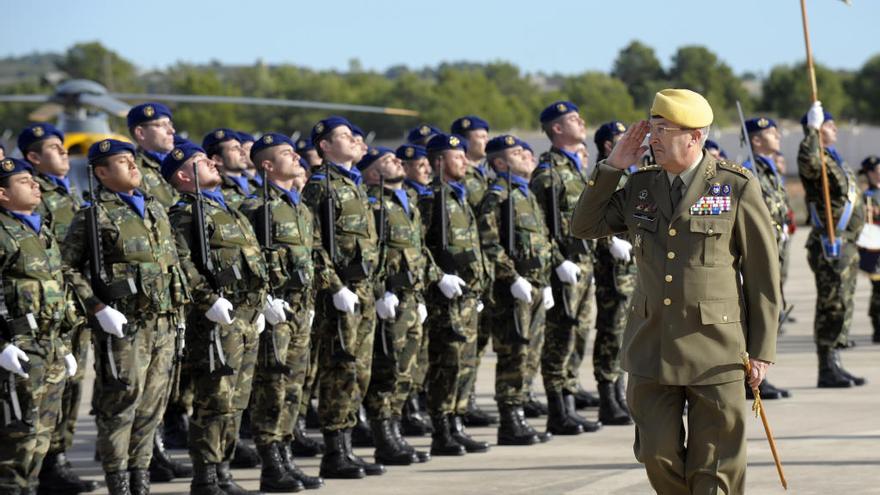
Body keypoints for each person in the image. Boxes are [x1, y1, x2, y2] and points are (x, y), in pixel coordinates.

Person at [571, 88, 782, 494]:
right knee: (656, 454)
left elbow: (762, 275)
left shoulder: (734, 186)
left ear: (695, 136)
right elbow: (584, 226)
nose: (652, 138)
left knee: (715, 465)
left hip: (715, 348)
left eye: (664, 130)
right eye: (652, 128)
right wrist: (614, 166)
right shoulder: (640, 185)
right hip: (652, 346)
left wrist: (762, 350)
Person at [63, 139, 191, 495]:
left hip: (163, 323)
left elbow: (175, 262)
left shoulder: (155, 209)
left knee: (152, 408)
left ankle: (141, 477)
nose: (133, 166)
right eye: (122, 162)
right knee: (120, 406)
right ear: (101, 173)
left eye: (132, 160)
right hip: (124, 327)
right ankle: (118, 480)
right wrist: (97, 308)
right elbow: (66, 267)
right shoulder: (92, 215)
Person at [16, 124, 99, 494]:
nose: (64, 153)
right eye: (54, 148)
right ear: (33, 158)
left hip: (70, 308)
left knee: (71, 386)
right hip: (45, 312)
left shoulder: (73, 191)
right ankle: (40, 464)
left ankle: (56, 458)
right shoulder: (37, 196)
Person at [240, 133, 325, 491]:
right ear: (267, 166)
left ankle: (286, 455)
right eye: (286, 154)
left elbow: (315, 253)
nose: (296, 157)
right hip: (275, 309)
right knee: (272, 386)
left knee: (294, 386)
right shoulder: (255, 207)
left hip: (301, 309)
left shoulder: (300, 206)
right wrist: (263, 301)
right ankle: (271, 463)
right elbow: (246, 262)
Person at [301, 117, 385, 479]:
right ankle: (335, 451)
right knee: (340, 371)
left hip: (363, 292)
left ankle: (347, 446)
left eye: (354, 135)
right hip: (339, 294)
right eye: (344, 136)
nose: (354, 140)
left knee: (359, 372)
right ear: (324, 146)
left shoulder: (354, 186)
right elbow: (313, 245)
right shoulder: (321, 186)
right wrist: (334, 288)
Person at [0, 158, 77, 495]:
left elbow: (57, 288)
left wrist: (66, 342)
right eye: (23, 181)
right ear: (2, 193)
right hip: (19, 346)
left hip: (51, 346)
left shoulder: (39, 230)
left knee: (42, 434)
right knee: (17, 436)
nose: (35, 185)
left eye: (34, 180)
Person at [358, 146, 437, 465]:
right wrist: (380, 292)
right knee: (388, 370)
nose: (397, 162)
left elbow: (418, 250)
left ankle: (395, 430)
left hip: (411, 296)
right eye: (387, 160)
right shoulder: (374, 205)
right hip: (390, 298)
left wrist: (425, 288)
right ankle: (384, 437)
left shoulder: (407, 204)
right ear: (372, 173)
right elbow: (371, 255)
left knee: (408, 370)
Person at [477, 135, 555, 445]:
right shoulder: (498, 196)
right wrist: (511, 278)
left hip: (535, 285)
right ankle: (509, 420)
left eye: (525, 150)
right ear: (499, 163)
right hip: (513, 290)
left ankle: (520, 411)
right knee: (514, 352)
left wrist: (544, 281)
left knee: (531, 353)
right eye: (517, 152)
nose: (526, 154)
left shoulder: (525, 194)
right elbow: (489, 243)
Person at [530, 101, 601, 435]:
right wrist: (558, 263)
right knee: (561, 338)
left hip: (584, 265)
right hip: (564, 268)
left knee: (578, 336)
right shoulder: (549, 172)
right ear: (556, 129)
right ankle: (558, 410)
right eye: (573, 119)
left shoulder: (574, 168)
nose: (581, 121)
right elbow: (540, 226)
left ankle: (569, 403)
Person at [422, 133, 491, 456]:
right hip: (444, 297)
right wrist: (439, 277)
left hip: (466, 294)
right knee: (446, 364)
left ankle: (456, 423)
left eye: (464, 154)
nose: (464, 159)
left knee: (464, 363)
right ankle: (441, 429)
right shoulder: (431, 198)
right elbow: (419, 247)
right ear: (438, 161)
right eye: (456, 155)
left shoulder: (458, 196)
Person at [798, 102, 866, 387]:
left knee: (844, 302)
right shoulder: (816, 159)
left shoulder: (835, 159)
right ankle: (826, 367)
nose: (834, 128)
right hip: (830, 242)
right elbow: (809, 163)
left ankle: (836, 360)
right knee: (831, 304)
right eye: (828, 125)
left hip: (847, 243)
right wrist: (812, 131)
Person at [449, 116, 497, 427]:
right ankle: (458, 405)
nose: (484, 140)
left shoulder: (483, 175)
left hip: (484, 267)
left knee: (476, 343)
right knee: (463, 345)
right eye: (478, 136)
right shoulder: (463, 178)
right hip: (466, 268)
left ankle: (466, 400)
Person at [742, 117, 794, 400]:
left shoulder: (770, 170)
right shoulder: (749, 171)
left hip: (776, 249)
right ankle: (749, 379)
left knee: (770, 313)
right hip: (760, 253)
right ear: (756, 140)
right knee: (755, 316)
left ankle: (759, 375)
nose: (777, 137)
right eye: (770, 133)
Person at [588, 121, 636, 425]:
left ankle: (619, 393)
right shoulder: (603, 176)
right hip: (610, 270)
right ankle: (608, 397)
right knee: (610, 333)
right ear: (609, 146)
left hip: (630, 271)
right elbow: (588, 216)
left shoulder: (632, 176)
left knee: (624, 335)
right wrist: (610, 241)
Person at [126, 103, 180, 208]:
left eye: (170, 124)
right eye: (163, 125)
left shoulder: (181, 162)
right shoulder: (134, 171)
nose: (171, 131)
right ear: (140, 133)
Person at [860, 155, 880, 344]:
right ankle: (878, 326)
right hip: (875, 247)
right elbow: (867, 221)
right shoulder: (868, 197)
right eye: (874, 170)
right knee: (878, 290)